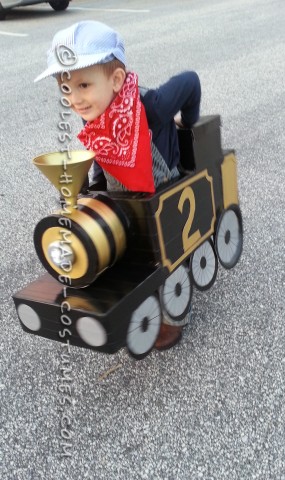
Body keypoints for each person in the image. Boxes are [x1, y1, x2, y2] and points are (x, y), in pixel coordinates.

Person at [35, 20, 201, 351]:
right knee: (123, 243)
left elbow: (190, 81)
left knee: (166, 249)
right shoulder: (92, 110)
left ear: (116, 79)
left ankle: (174, 314)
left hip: (161, 188)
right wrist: (92, 185)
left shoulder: (152, 105)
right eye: (65, 88)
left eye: (83, 85)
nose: (75, 99)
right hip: (121, 191)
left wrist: (189, 122)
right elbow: (101, 151)